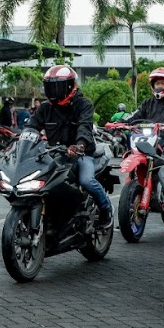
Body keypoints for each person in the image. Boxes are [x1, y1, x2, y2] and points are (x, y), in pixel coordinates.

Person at [26, 65, 113, 227]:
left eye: (57, 86)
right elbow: (31, 126)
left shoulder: (83, 104)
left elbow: (84, 127)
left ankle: (106, 209)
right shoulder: (45, 108)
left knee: (86, 181)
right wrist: (20, 140)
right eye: (50, 86)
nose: (53, 91)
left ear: (69, 86)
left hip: (81, 154)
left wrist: (78, 145)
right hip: (54, 153)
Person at [124, 67, 164, 150]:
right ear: (153, 85)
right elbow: (133, 116)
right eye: (157, 84)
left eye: (163, 83)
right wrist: (117, 123)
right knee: (130, 149)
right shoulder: (147, 103)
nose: (160, 86)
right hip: (148, 137)